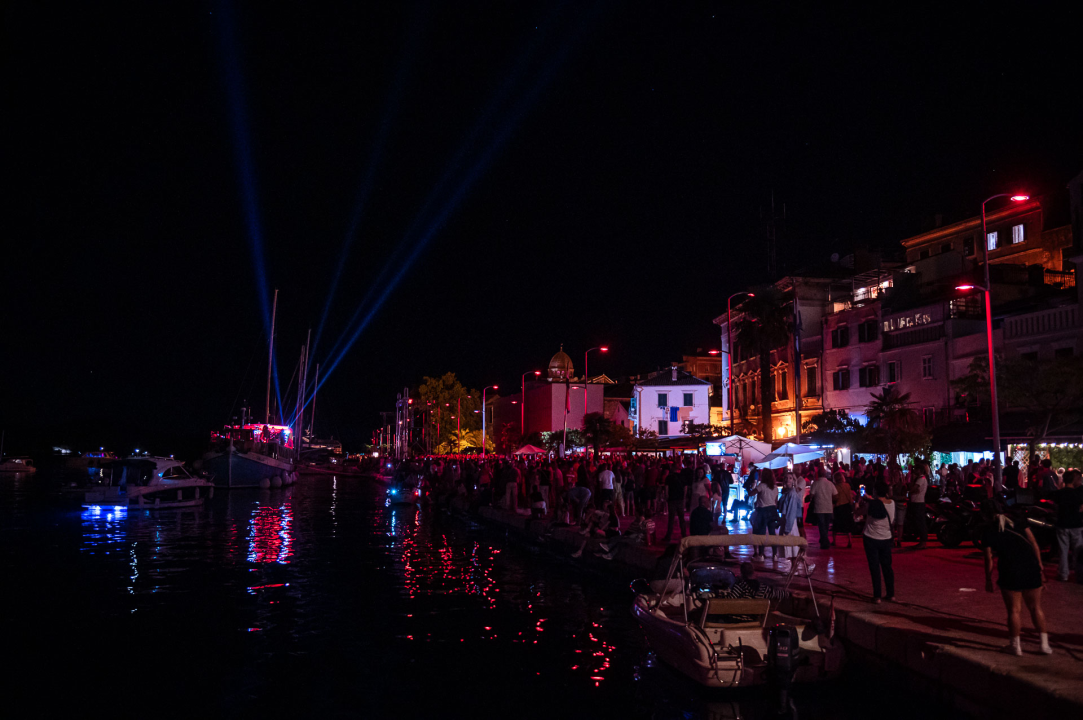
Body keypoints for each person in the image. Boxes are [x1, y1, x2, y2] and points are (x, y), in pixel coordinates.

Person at [981, 501, 1052, 655]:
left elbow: (989, 558)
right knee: (1035, 608)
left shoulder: (988, 530)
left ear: (984, 516)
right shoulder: (1018, 522)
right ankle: (1044, 646)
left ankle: (1015, 646)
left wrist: (988, 579)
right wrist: (1040, 565)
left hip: (1010, 570)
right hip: (1030, 568)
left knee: (1014, 611)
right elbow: (1033, 543)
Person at [857, 479, 896, 603]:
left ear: (874, 491)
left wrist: (859, 502)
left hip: (871, 538)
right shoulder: (892, 503)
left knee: (874, 567)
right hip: (886, 538)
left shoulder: (872, 504)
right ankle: (891, 594)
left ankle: (877, 596)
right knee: (887, 567)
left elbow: (858, 513)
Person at [1051, 469, 1083, 583]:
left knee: (1063, 550)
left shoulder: (1059, 493)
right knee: (1078, 550)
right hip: (1076, 524)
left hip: (1062, 523)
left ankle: (1064, 574)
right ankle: (1079, 573)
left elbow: (1055, 507)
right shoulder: (1077, 493)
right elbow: (1081, 508)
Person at [751, 468, 780, 559]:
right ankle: (775, 554)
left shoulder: (761, 486)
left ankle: (761, 554)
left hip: (762, 511)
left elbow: (751, 493)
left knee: (761, 533)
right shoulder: (775, 487)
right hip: (772, 511)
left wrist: (751, 487)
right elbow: (775, 501)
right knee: (772, 533)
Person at [809, 470, 837, 550]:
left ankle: (825, 542)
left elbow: (811, 495)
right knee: (826, 525)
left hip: (819, 507)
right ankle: (824, 540)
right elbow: (835, 495)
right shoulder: (830, 483)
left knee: (821, 525)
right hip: (828, 507)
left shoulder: (816, 483)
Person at [663, 462, 687, 541]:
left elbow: (666, 488)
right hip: (680, 499)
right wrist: (684, 497)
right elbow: (685, 488)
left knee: (671, 518)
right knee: (681, 518)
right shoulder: (683, 477)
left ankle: (668, 536)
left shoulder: (669, 477)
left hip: (672, 499)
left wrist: (666, 496)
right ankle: (684, 534)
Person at [908, 462, 929, 549]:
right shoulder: (921, 478)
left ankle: (923, 541)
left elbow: (913, 489)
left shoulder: (921, 479)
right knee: (919, 522)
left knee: (920, 522)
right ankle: (921, 540)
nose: (914, 471)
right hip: (917, 502)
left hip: (918, 503)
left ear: (919, 470)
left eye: (916, 469)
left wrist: (911, 488)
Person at [831, 470, 854, 548]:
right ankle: (850, 540)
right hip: (847, 506)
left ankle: (834, 541)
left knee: (836, 525)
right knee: (848, 524)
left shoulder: (835, 487)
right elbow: (850, 495)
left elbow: (835, 497)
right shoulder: (847, 485)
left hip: (839, 506)